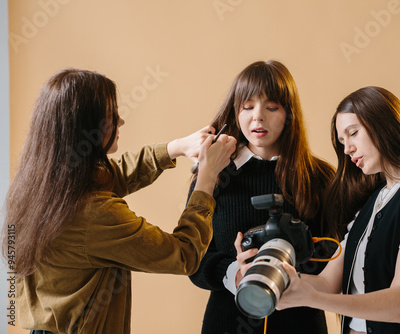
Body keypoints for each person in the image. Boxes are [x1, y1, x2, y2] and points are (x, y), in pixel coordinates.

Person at [1, 68, 236, 334]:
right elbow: (184, 255)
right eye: (112, 115)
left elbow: (112, 175)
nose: (121, 121)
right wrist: (207, 178)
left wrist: (178, 147)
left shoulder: (36, 185)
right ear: (88, 128)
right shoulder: (95, 215)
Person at [275, 86, 400, 334]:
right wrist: (267, 271)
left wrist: (310, 299)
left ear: (384, 125)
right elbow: (327, 283)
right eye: (342, 141)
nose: (347, 149)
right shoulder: (375, 201)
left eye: (353, 133)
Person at [188, 60, 336, 334]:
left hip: (300, 323)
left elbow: (336, 255)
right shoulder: (214, 174)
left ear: (289, 113)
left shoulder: (319, 177)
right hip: (227, 322)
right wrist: (235, 271)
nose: (258, 117)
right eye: (247, 106)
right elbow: (192, 258)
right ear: (235, 111)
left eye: (271, 107)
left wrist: (293, 265)